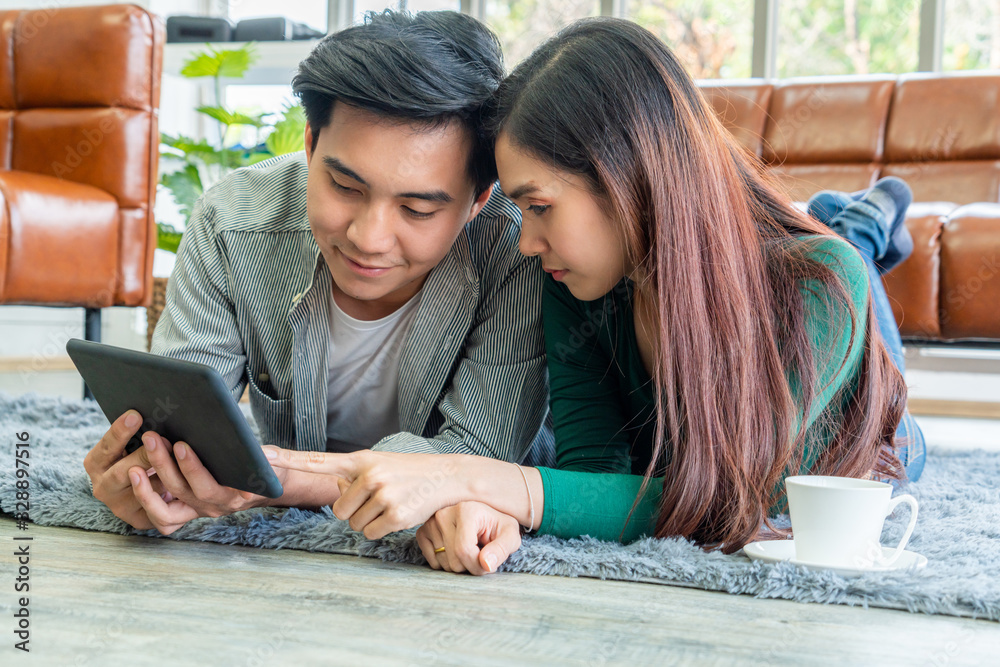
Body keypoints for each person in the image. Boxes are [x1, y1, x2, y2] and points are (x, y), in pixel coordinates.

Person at [399, 17, 927, 575]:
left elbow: (734, 506)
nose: (527, 243)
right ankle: (842, 216)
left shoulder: (818, 285)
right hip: (755, 262)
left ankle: (867, 218)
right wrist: (514, 506)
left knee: (848, 258)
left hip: (873, 421)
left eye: (540, 206)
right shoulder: (574, 284)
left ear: (628, 177)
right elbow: (594, 476)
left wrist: (484, 480)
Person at [82, 10, 554, 535]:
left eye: (418, 211)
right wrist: (155, 469)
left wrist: (268, 477)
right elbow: (184, 420)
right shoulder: (233, 221)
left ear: (477, 199)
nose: (368, 238)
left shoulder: (519, 249)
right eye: (345, 188)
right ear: (309, 144)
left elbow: (472, 463)